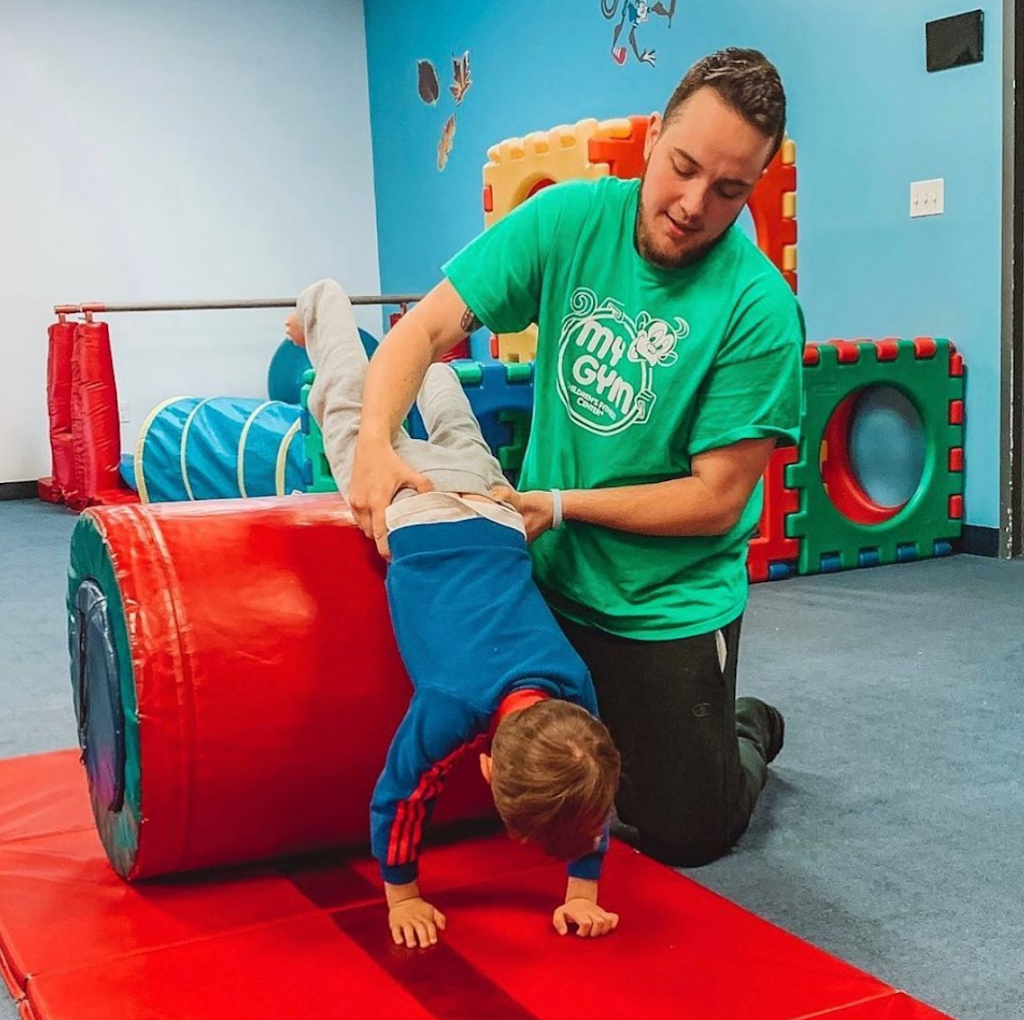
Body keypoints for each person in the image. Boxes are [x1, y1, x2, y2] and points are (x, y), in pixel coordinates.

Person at [345, 47, 804, 869]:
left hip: (664, 604)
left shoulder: (759, 308)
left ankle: (747, 726)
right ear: (655, 135)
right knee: (512, 797)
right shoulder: (568, 222)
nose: (694, 204)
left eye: (729, 190)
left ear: (755, 188)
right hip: (544, 584)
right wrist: (374, 444)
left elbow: (715, 502)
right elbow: (420, 331)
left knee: (686, 834)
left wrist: (557, 505)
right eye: (684, 167)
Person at [286, 279, 621, 950]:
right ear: (488, 769)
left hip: (494, 508)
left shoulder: (576, 695)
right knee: (351, 413)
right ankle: (324, 306)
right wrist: (402, 894)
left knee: (459, 433)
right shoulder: (451, 703)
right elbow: (400, 794)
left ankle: (433, 368)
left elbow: (591, 791)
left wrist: (584, 895)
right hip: (412, 512)